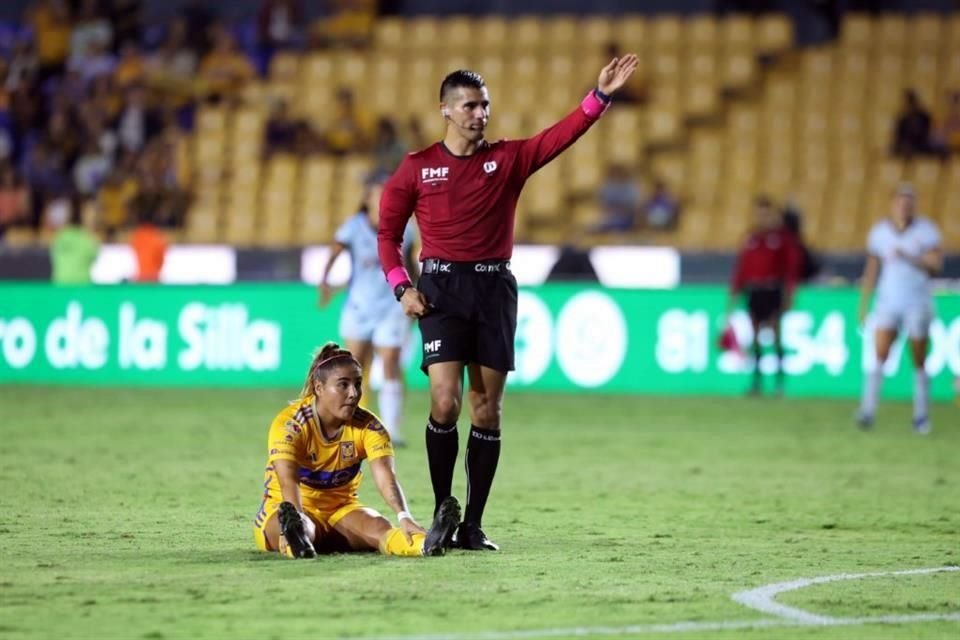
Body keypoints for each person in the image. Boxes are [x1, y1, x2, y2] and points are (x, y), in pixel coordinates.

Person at [378, 56, 639, 551]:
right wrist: (401, 286)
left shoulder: (509, 160)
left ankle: (472, 525)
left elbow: (558, 137)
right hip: (440, 290)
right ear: (446, 111)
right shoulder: (416, 168)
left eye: (485, 105)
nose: (481, 114)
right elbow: (388, 235)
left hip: (493, 289)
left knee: (486, 410)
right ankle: (442, 510)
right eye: (470, 105)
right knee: (444, 399)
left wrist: (598, 97)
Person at [252, 342, 460, 559]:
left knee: (380, 526)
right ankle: (297, 538)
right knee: (303, 527)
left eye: (358, 384)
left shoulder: (369, 426)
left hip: (340, 511)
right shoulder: (291, 425)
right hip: (286, 509)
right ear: (318, 387)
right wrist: (297, 517)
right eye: (343, 385)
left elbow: (385, 476)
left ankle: (426, 545)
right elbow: (288, 481)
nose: (353, 393)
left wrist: (403, 515)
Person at [319, 172, 417, 445]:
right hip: (359, 307)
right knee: (354, 367)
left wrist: (415, 295)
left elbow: (411, 266)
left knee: (391, 361)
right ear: (368, 198)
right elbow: (334, 252)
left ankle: (392, 430)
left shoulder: (406, 229)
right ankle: (348, 424)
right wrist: (325, 282)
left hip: (391, 305)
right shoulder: (352, 227)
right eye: (379, 194)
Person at [856, 184, 943, 434]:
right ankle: (868, 411)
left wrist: (909, 257)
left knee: (919, 360)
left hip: (917, 302)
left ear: (914, 205)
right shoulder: (880, 232)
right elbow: (871, 270)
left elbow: (935, 267)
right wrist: (863, 304)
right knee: (879, 355)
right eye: (900, 201)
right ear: (892, 204)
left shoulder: (926, 232)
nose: (904, 206)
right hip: (887, 302)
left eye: (908, 202)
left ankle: (921, 415)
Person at [728, 195, 801, 397]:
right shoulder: (750, 238)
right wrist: (734, 294)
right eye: (759, 213)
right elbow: (741, 269)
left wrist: (790, 294)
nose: (762, 217)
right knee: (755, 338)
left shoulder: (782, 239)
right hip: (755, 291)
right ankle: (757, 382)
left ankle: (779, 383)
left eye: (766, 213)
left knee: (776, 336)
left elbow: (791, 269)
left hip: (773, 290)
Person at [50, 198, 100, 284]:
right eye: (88, 212)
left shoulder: (62, 234)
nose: (92, 216)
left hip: (78, 287)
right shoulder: (63, 234)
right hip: (65, 287)